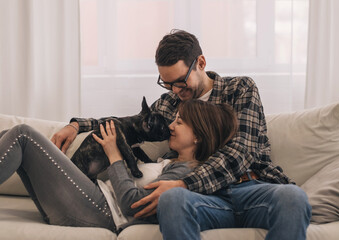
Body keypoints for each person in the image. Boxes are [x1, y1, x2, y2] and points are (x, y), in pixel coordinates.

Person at [52, 29, 311, 239]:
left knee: (293, 197)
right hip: (205, 200)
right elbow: (129, 124)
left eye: (179, 81)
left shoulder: (239, 89)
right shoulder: (169, 104)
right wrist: (78, 125)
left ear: (200, 63)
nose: (175, 90)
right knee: (173, 200)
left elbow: (240, 152)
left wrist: (184, 183)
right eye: (166, 83)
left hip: (250, 187)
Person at [0, 99, 237, 232]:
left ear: (198, 137)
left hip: (99, 211)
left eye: (180, 122)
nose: (171, 126)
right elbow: (126, 122)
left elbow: (133, 205)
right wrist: (77, 126)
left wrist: (115, 155)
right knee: (8, 135)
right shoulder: (170, 159)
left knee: (23, 135)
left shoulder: (184, 173)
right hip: (88, 203)